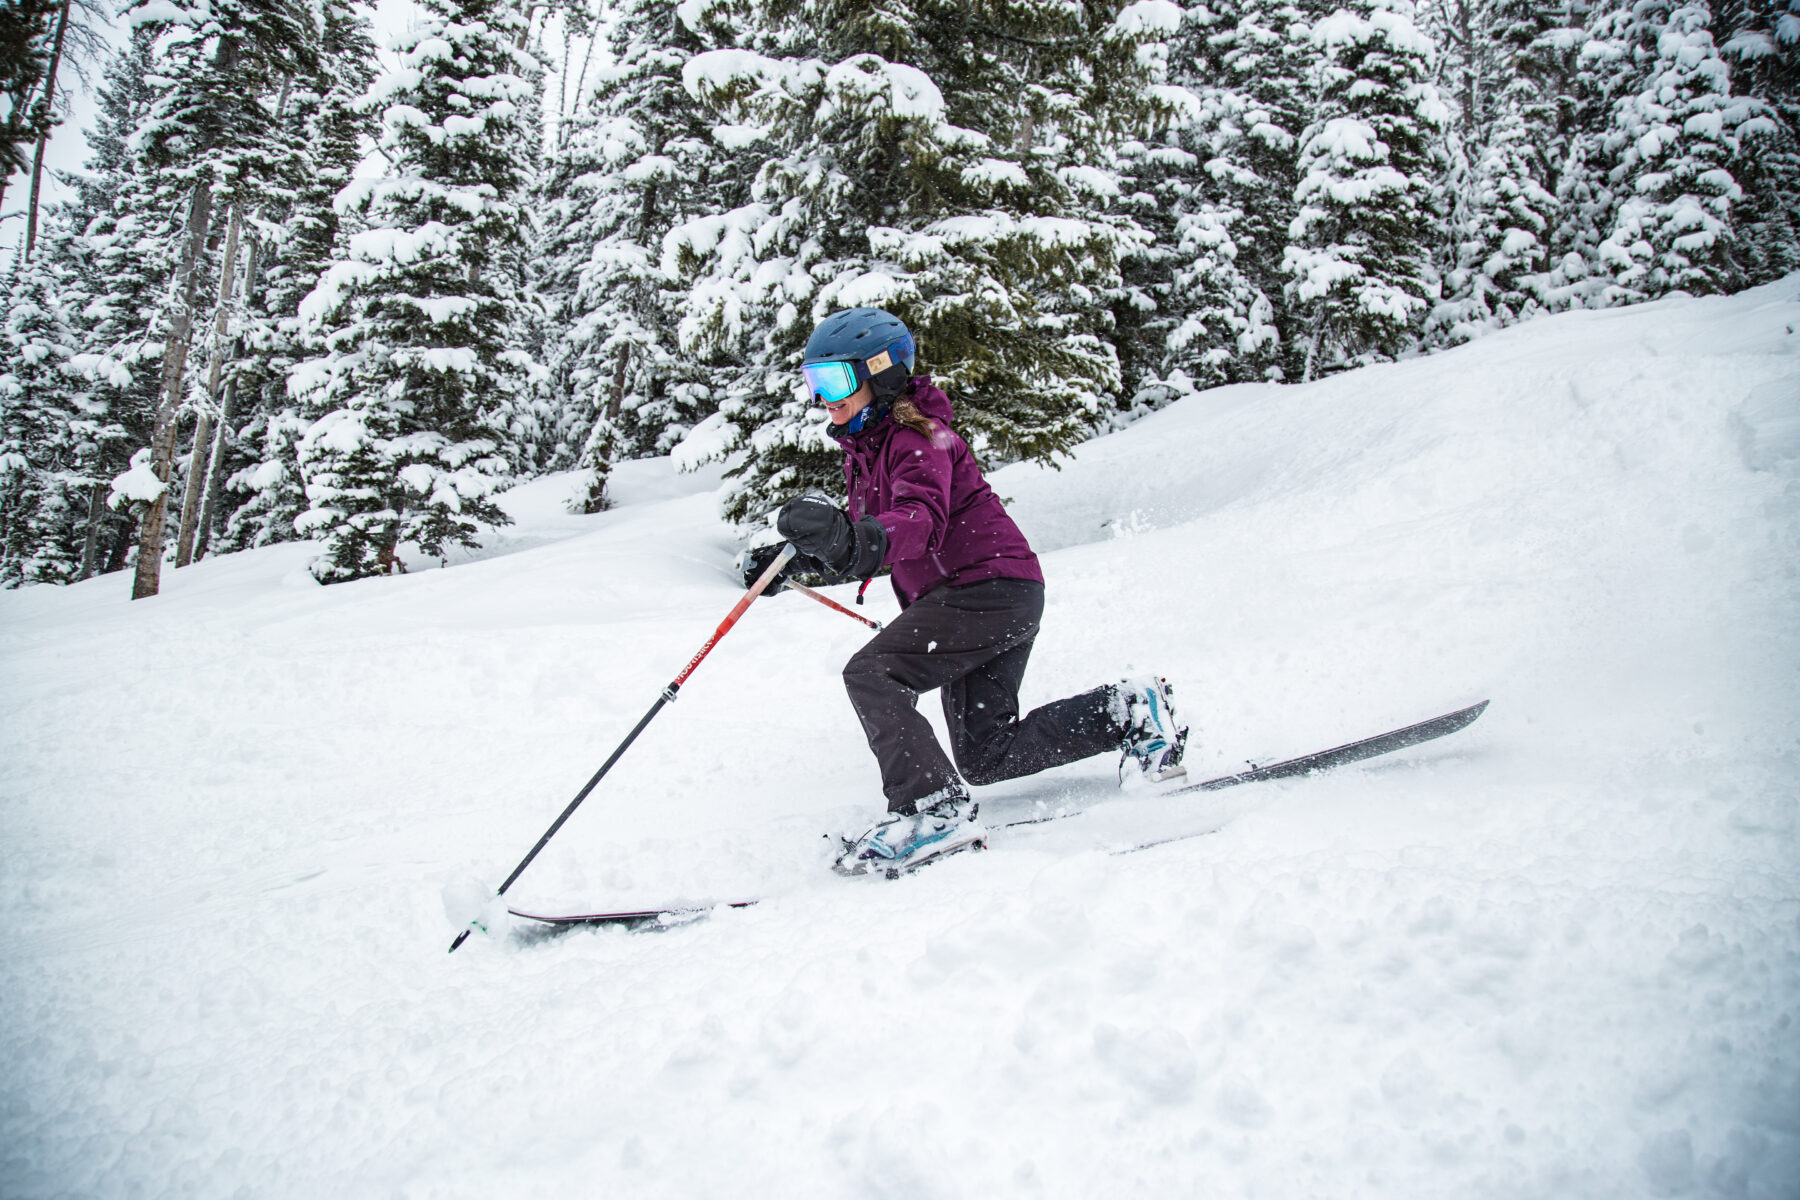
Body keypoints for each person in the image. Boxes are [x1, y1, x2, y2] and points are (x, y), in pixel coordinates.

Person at [753, 307, 1188, 875]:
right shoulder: (869, 449)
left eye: (835, 379)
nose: (823, 397)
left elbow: (916, 521)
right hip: (985, 597)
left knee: (872, 672)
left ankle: (932, 812)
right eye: (814, 382)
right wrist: (793, 561)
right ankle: (1130, 711)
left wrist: (846, 540)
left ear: (881, 372)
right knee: (987, 754)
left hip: (987, 589)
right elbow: (871, 542)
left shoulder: (921, 438)